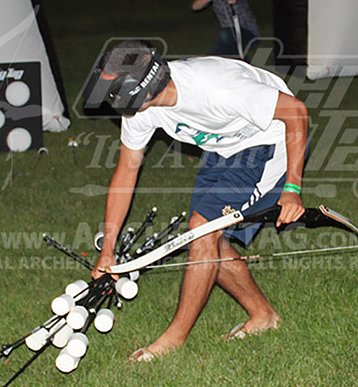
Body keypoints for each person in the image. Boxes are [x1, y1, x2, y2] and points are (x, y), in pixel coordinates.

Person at [89, 40, 308, 361]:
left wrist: (293, 188)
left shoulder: (217, 88)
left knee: (203, 230)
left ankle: (174, 339)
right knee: (205, 238)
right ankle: (263, 316)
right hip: (223, 148)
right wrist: (107, 250)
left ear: (139, 91)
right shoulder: (141, 110)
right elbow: (125, 173)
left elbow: (296, 111)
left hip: (266, 141)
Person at [191, 0, 260, 58]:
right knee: (231, 54)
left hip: (246, 30)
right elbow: (195, 6)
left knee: (221, 49)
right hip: (229, 32)